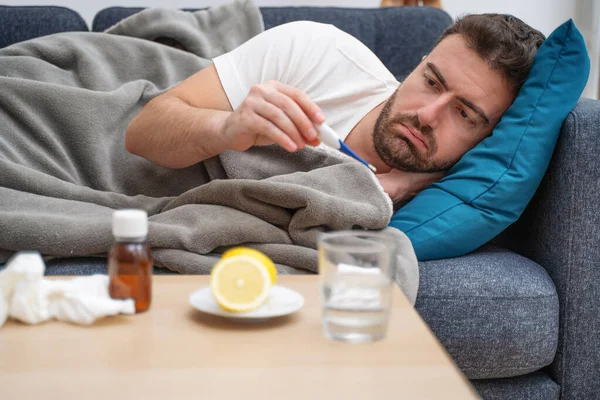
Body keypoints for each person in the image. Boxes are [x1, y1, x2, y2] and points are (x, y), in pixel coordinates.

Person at [126, 13, 545, 204]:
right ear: (417, 64)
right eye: (431, 82)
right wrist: (226, 128)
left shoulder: (461, 187)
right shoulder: (315, 50)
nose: (428, 115)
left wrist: (399, 190)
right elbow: (142, 131)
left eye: (465, 114)